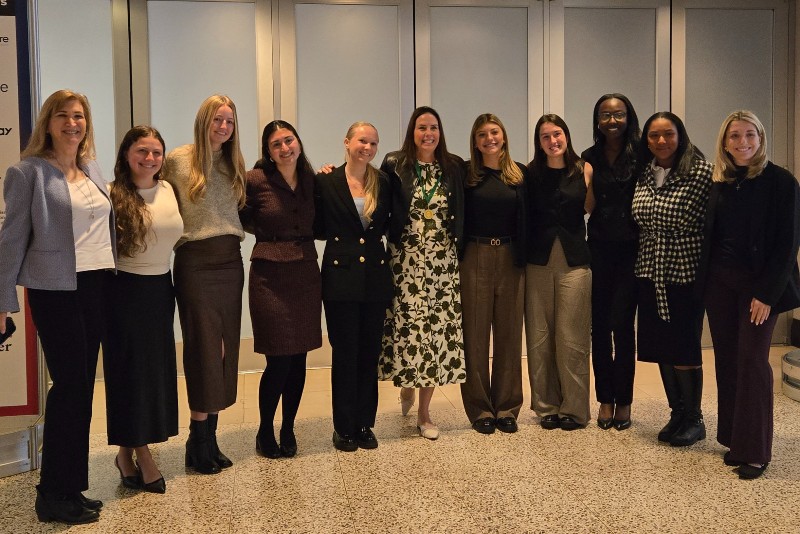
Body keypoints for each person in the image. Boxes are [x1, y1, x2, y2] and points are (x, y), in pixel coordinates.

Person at [0, 90, 114, 524]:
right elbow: (11, 238)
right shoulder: (27, 172)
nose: (72, 123)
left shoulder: (91, 168)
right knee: (69, 388)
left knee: (82, 389)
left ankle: (71, 487)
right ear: (48, 123)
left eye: (79, 116)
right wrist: (2, 301)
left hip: (96, 285)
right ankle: (51, 494)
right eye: (63, 116)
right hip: (56, 289)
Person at [697, 110, 800, 479]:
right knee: (728, 360)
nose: (742, 142)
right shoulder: (720, 182)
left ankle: (755, 451)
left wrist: (767, 294)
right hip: (720, 285)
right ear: (725, 143)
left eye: (749, 135)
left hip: (760, 288)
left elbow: (788, 244)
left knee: (753, 361)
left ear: (760, 138)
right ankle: (734, 441)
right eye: (735, 136)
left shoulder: (781, 181)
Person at [162, 95, 246, 474]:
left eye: (229, 121)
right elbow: (150, 193)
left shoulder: (234, 162)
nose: (223, 127)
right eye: (217, 119)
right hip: (195, 262)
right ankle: (197, 440)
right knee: (203, 348)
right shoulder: (178, 160)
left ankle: (211, 437)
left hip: (230, 260)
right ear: (203, 120)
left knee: (226, 349)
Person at [378, 106, 466, 440]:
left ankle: (425, 413)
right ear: (412, 132)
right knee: (410, 331)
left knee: (437, 333)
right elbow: (374, 194)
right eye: (421, 128)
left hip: (443, 264)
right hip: (405, 262)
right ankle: (407, 385)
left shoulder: (453, 166)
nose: (428, 134)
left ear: (440, 132)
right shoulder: (395, 163)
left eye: (433, 127)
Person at [105, 126, 183, 494]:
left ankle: (125, 454)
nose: (149, 158)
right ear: (126, 154)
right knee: (130, 375)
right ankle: (144, 457)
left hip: (160, 289)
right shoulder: (111, 193)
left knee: (150, 375)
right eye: (141, 151)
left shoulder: (168, 188)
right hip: (124, 292)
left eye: (156, 152)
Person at [241, 120, 322, 458]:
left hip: (305, 272)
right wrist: (265, 233)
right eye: (277, 144)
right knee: (278, 360)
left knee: (299, 358)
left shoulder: (312, 179)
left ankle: (288, 427)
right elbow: (240, 216)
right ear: (268, 151)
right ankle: (265, 430)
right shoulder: (254, 179)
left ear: (298, 142)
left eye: (289, 140)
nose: (285, 148)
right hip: (269, 276)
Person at [632, 111, 712, 447]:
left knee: (684, 345)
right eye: (654, 135)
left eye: (668, 134)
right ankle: (676, 413)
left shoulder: (701, 171)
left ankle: (694, 418)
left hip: (684, 271)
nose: (661, 141)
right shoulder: (644, 172)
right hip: (649, 270)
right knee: (660, 345)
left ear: (681, 136)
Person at [314, 122, 392, 451]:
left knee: (369, 353)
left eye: (373, 143)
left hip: (375, 278)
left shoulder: (384, 181)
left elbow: (391, 224)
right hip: (340, 279)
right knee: (345, 353)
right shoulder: (326, 181)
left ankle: (364, 424)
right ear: (347, 142)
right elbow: (317, 227)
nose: (368, 148)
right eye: (362, 141)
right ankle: (343, 427)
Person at [460, 113, 527, 435]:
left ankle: (507, 407)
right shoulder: (465, 174)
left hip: (511, 257)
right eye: (482, 134)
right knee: (474, 336)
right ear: (475, 142)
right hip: (475, 255)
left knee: (509, 335)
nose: (490, 138)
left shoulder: (519, 175)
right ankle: (480, 409)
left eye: (494, 132)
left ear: (504, 136)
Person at [525, 114, 592, 431]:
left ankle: (574, 410)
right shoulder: (529, 174)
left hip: (575, 261)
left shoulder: (584, 169)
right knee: (539, 336)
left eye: (557, 134)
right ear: (539, 143)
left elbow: (594, 209)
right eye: (545, 136)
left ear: (566, 135)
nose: (553, 141)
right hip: (537, 261)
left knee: (572, 336)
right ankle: (546, 407)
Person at [581, 94, 641, 430]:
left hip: (632, 250)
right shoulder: (589, 157)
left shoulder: (642, 154)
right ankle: (605, 398)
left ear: (628, 117)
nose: (612, 121)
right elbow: (586, 205)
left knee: (622, 325)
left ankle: (625, 400)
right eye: (605, 115)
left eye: (618, 114)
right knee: (600, 327)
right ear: (597, 120)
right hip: (599, 248)